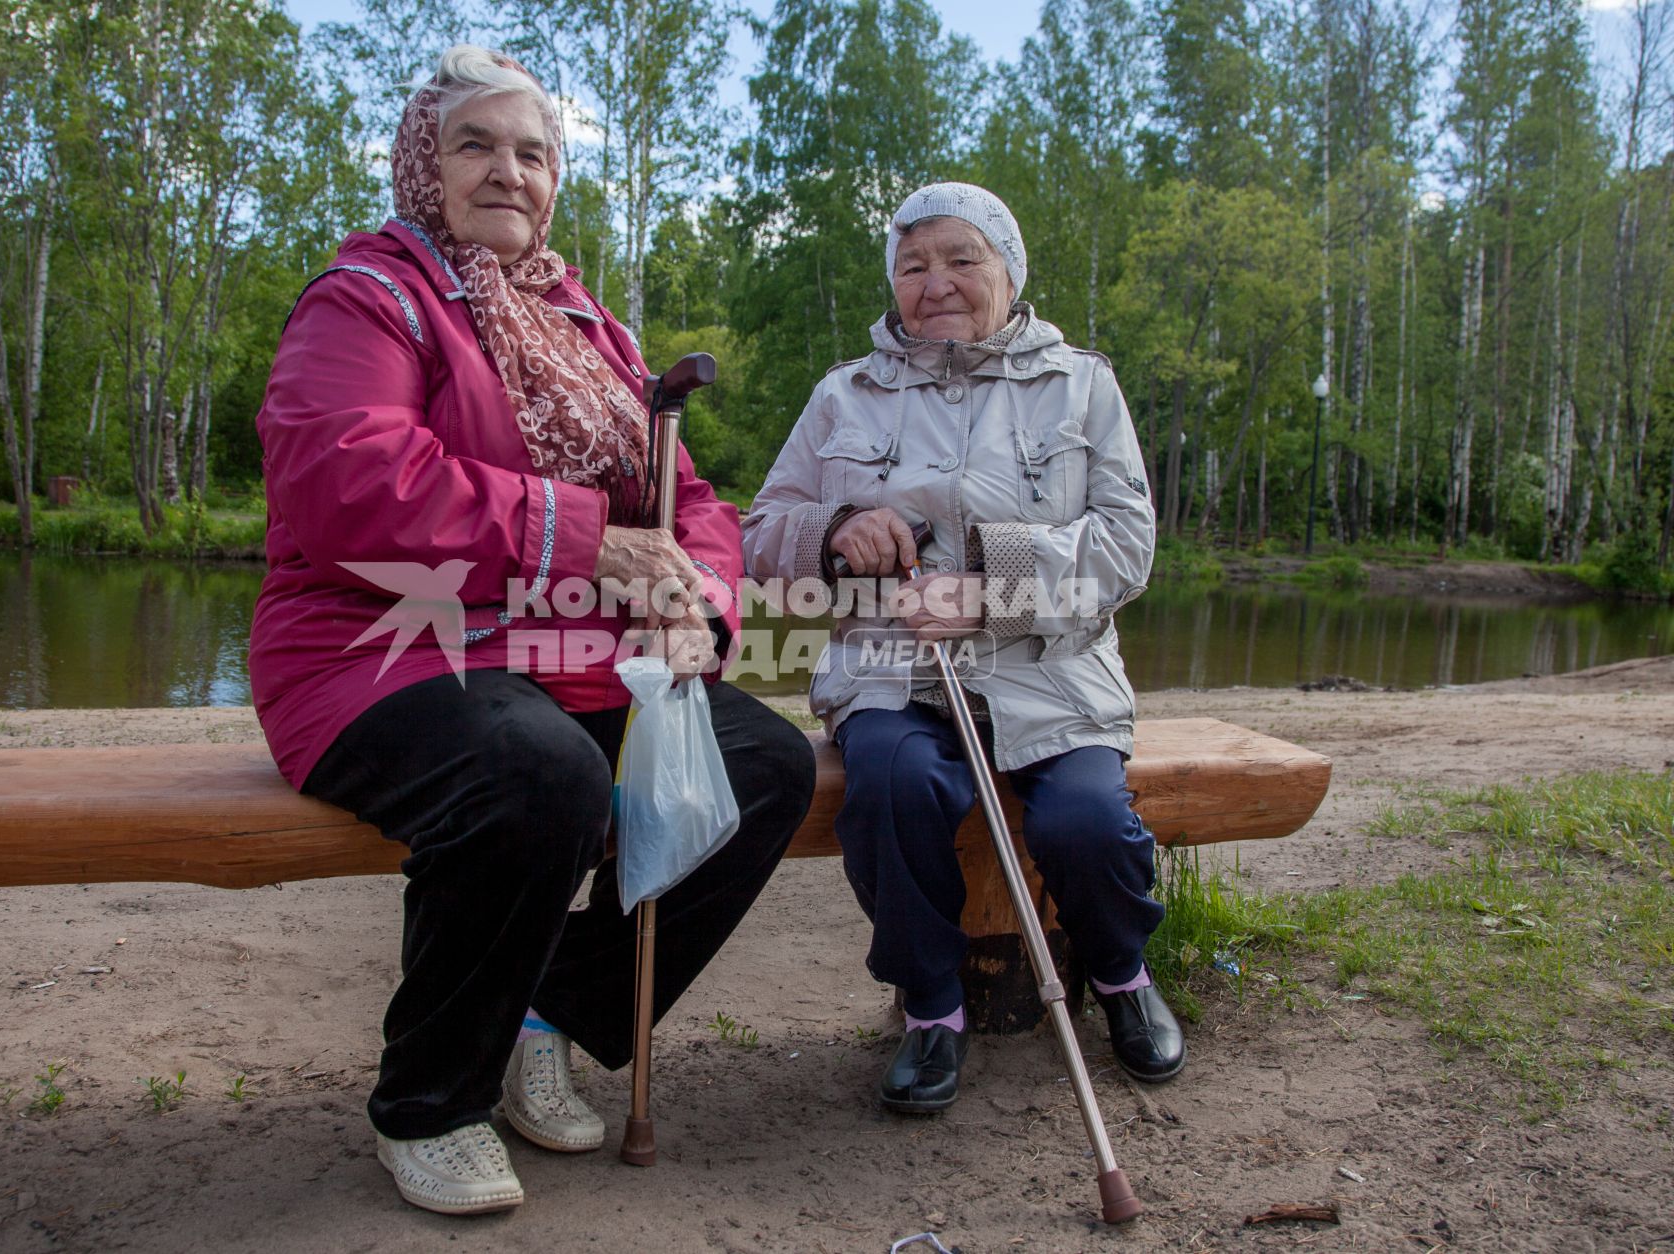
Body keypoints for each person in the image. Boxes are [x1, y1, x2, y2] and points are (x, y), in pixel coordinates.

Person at [249, 46, 814, 1215]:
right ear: (424, 162)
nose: (507, 171)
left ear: (555, 177)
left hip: (569, 650)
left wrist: (696, 596)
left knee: (763, 763)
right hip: (379, 650)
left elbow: (689, 498)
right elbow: (348, 482)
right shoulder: (371, 296)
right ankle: (431, 1101)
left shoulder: (585, 325)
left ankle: (551, 1007)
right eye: (476, 145)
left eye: (532, 151)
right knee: (532, 774)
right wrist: (587, 542)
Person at [740, 181, 1182, 1114]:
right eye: (913, 265)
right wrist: (837, 530)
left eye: (960, 258)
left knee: (1086, 825)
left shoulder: (1082, 386)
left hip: (1050, 672)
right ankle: (932, 1006)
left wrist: (991, 591)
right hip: (893, 671)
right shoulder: (842, 397)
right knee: (893, 791)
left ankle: (1119, 973)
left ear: (1009, 273)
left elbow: (1127, 546)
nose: (934, 281)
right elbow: (760, 533)